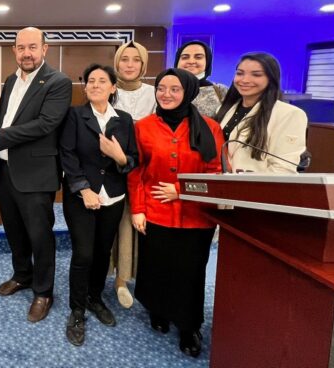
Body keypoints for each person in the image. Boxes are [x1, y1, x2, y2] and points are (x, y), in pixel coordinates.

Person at [0, 27, 71, 323]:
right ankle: (22, 275)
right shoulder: (11, 80)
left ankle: (44, 291)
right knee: (14, 231)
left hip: (36, 175)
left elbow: (45, 124)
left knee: (40, 236)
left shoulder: (58, 82)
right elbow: (6, 119)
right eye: (21, 47)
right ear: (14, 50)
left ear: (44, 49)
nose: (26, 53)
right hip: (6, 171)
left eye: (32, 47)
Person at [127, 68, 224, 358]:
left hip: (196, 216)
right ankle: (158, 310)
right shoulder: (144, 126)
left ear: (188, 92)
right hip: (154, 211)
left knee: (190, 272)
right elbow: (136, 170)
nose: (166, 94)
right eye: (161, 88)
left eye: (174, 89)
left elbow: (216, 173)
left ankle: (189, 325)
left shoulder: (209, 127)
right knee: (156, 266)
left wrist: (181, 190)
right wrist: (138, 209)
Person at [59, 64, 138, 346]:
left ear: (113, 87)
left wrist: (119, 156)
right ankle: (77, 309)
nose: (94, 85)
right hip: (82, 197)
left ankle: (95, 297)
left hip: (113, 197)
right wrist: (84, 188)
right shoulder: (74, 115)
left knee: (103, 252)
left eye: (102, 81)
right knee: (83, 253)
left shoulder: (124, 120)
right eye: (90, 80)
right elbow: (67, 154)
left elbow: (132, 159)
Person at [110, 40, 156, 309]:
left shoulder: (155, 93)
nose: (129, 65)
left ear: (143, 64)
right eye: (124, 59)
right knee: (115, 225)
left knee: (136, 226)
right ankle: (116, 279)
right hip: (111, 170)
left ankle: (131, 279)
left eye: (136, 60)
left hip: (145, 171)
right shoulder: (108, 89)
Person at [215, 52, 308, 173]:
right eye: (240, 73)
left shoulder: (290, 114)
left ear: (271, 79)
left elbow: (283, 168)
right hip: (220, 180)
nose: (245, 80)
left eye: (256, 75)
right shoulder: (224, 109)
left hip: (256, 183)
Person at [174, 41, 228, 119]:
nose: (191, 61)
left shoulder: (220, 90)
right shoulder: (163, 88)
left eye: (198, 57)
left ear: (207, 61)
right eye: (185, 57)